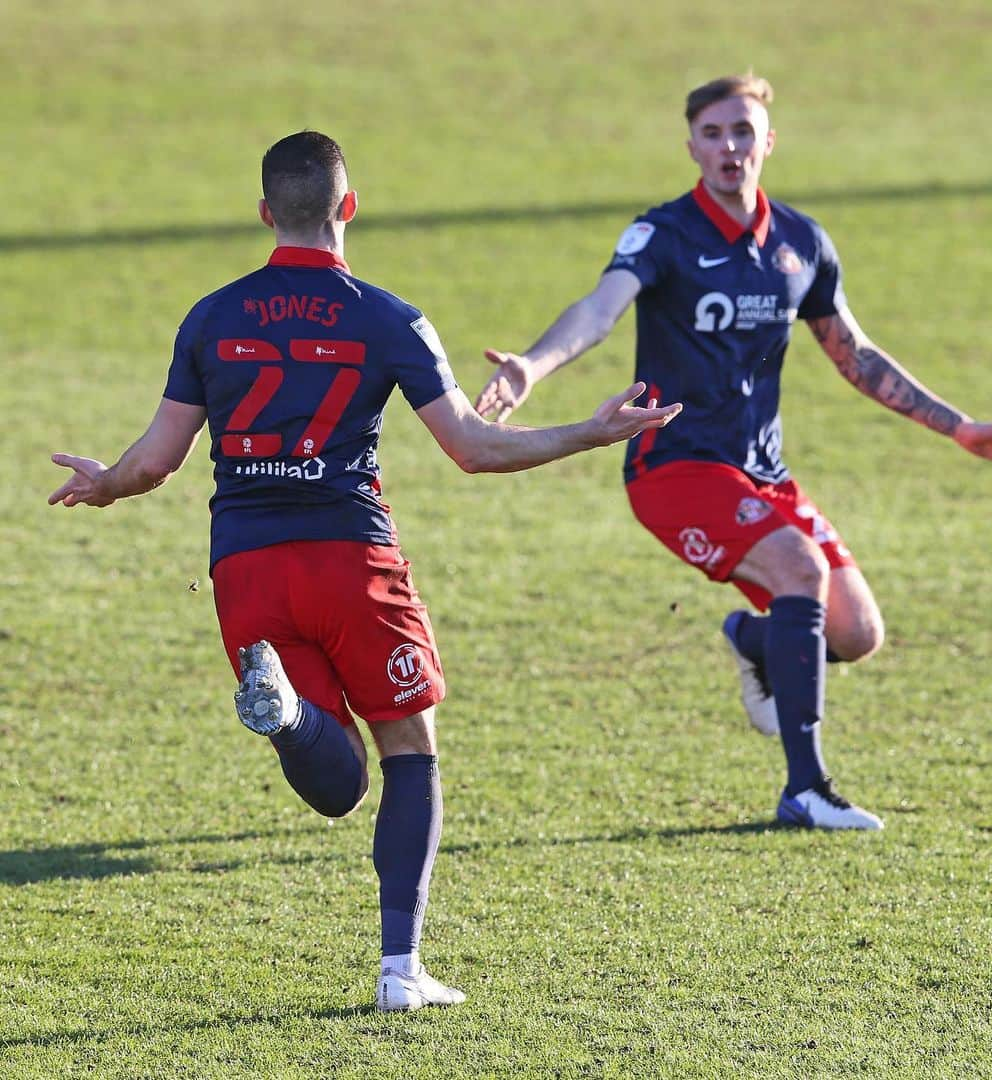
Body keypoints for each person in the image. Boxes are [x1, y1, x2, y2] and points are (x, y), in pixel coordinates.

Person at [48, 131, 681, 1012]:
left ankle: (291, 712)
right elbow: (472, 447)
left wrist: (104, 486)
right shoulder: (386, 316)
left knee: (334, 775)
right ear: (348, 207)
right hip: (351, 555)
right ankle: (399, 972)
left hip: (245, 570)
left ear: (267, 214)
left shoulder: (211, 316)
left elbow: (155, 460)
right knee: (408, 751)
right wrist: (589, 430)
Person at [477, 74, 992, 831]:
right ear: (691, 146)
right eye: (712, 133)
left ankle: (752, 638)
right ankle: (806, 790)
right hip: (674, 466)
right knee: (799, 566)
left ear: (769, 141)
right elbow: (599, 311)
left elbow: (855, 354)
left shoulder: (801, 243)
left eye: (743, 131)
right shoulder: (663, 234)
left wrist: (960, 426)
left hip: (763, 471)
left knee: (855, 633)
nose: (728, 147)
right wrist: (529, 367)